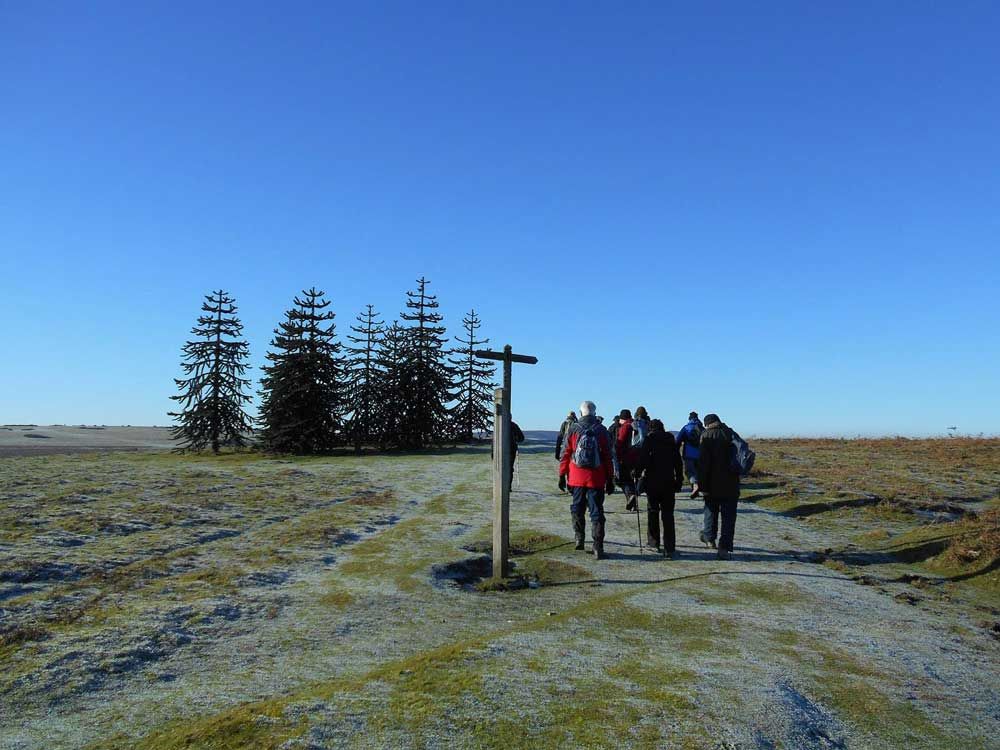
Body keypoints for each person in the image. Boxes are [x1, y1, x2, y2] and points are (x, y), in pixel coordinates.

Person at [558, 400, 615, 559]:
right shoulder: (602, 430)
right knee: (596, 511)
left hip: (576, 477)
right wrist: (610, 478)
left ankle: (579, 537)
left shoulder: (574, 429)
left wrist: (562, 474)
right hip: (596, 478)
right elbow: (607, 456)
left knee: (577, 507)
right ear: (595, 412)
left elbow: (566, 453)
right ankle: (598, 546)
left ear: (581, 412)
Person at [697, 413, 740, 560]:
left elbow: (703, 464)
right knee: (729, 518)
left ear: (707, 424)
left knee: (710, 511)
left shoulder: (706, 435)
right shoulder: (730, 433)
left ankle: (709, 539)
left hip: (712, 483)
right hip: (731, 483)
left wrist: (701, 484)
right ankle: (724, 548)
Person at [639, 419, 684, 556]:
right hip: (668, 481)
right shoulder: (671, 441)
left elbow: (643, 460)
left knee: (653, 512)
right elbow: (678, 462)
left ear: (650, 428)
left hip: (652, 482)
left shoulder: (649, 439)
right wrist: (679, 480)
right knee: (668, 515)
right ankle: (670, 547)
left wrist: (637, 473)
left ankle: (653, 543)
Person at [615, 409, 640, 511]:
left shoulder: (625, 427)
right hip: (637, 457)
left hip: (625, 458)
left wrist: (617, 456)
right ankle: (633, 504)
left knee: (623, 480)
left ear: (622, 418)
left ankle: (631, 496)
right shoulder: (636, 425)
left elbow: (620, 443)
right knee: (631, 480)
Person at [677, 411, 704, 498]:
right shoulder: (702, 428)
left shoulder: (686, 428)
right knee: (699, 472)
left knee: (690, 472)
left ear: (689, 419)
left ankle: (695, 486)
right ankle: (699, 490)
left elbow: (678, 440)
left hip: (689, 454)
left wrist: (675, 451)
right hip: (701, 454)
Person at [555, 411, 577, 493]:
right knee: (572, 468)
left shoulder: (564, 424)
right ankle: (571, 485)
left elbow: (560, 437)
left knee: (566, 467)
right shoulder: (576, 424)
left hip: (565, 448)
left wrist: (557, 451)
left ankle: (568, 484)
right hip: (574, 449)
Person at [509, 420, 525, 489]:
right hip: (510, 450)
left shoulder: (513, 426)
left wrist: (516, 438)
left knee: (508, 469)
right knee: (509, 468)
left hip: (510, 450)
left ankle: (507, 486)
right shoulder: (513, 425)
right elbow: (521, 438)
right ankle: (507, 486)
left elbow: (521, 438)